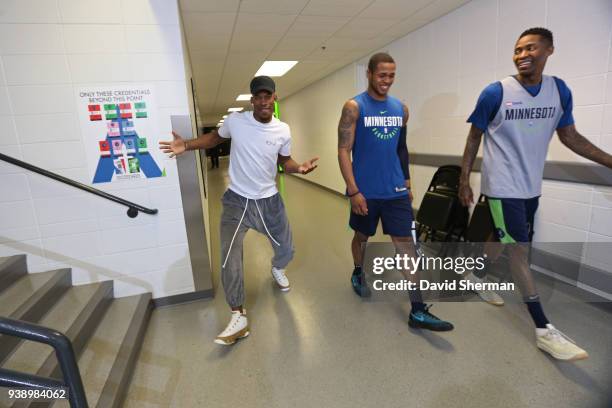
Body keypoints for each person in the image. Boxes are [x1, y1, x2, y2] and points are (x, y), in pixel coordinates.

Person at [459, 27, 612, 361]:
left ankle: (476, 274)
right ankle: (544, 329)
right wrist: (463, 178)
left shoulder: (559, 91)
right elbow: (474, 137)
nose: (522, 55)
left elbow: (570, 136)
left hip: (530, 186)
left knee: (502, 239)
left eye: (530, 48)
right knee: (518, 251)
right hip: (502, 187)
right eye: (517, 50)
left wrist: (609, 161)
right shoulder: (496, 92)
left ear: (549, 50)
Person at [160, 76, 319, 345]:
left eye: (268, 96)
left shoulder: (283, 130)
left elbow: (284, 161)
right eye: (258, 97)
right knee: (229, 255)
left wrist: (299, 167)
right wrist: (186, 145)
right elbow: (213, 139)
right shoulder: (236, 121)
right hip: (236, 200)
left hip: (269, 202)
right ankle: (238, 314)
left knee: (287, 249)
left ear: (274, 98)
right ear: (252, 100)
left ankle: (277, 268)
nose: (263, 101)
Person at [337, 52, 453, 331]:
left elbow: (401, 148)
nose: (386, 81)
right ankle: (357, 271)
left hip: (396, 191)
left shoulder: (401, 109)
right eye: (381, 75)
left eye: (391, 76)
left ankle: (417, 309)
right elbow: (343, 149)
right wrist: (353, 191)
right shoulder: (354, 107)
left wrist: (408, 183)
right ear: (369, 73)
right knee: (362, 237)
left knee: (406, 245)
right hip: (365, 191)